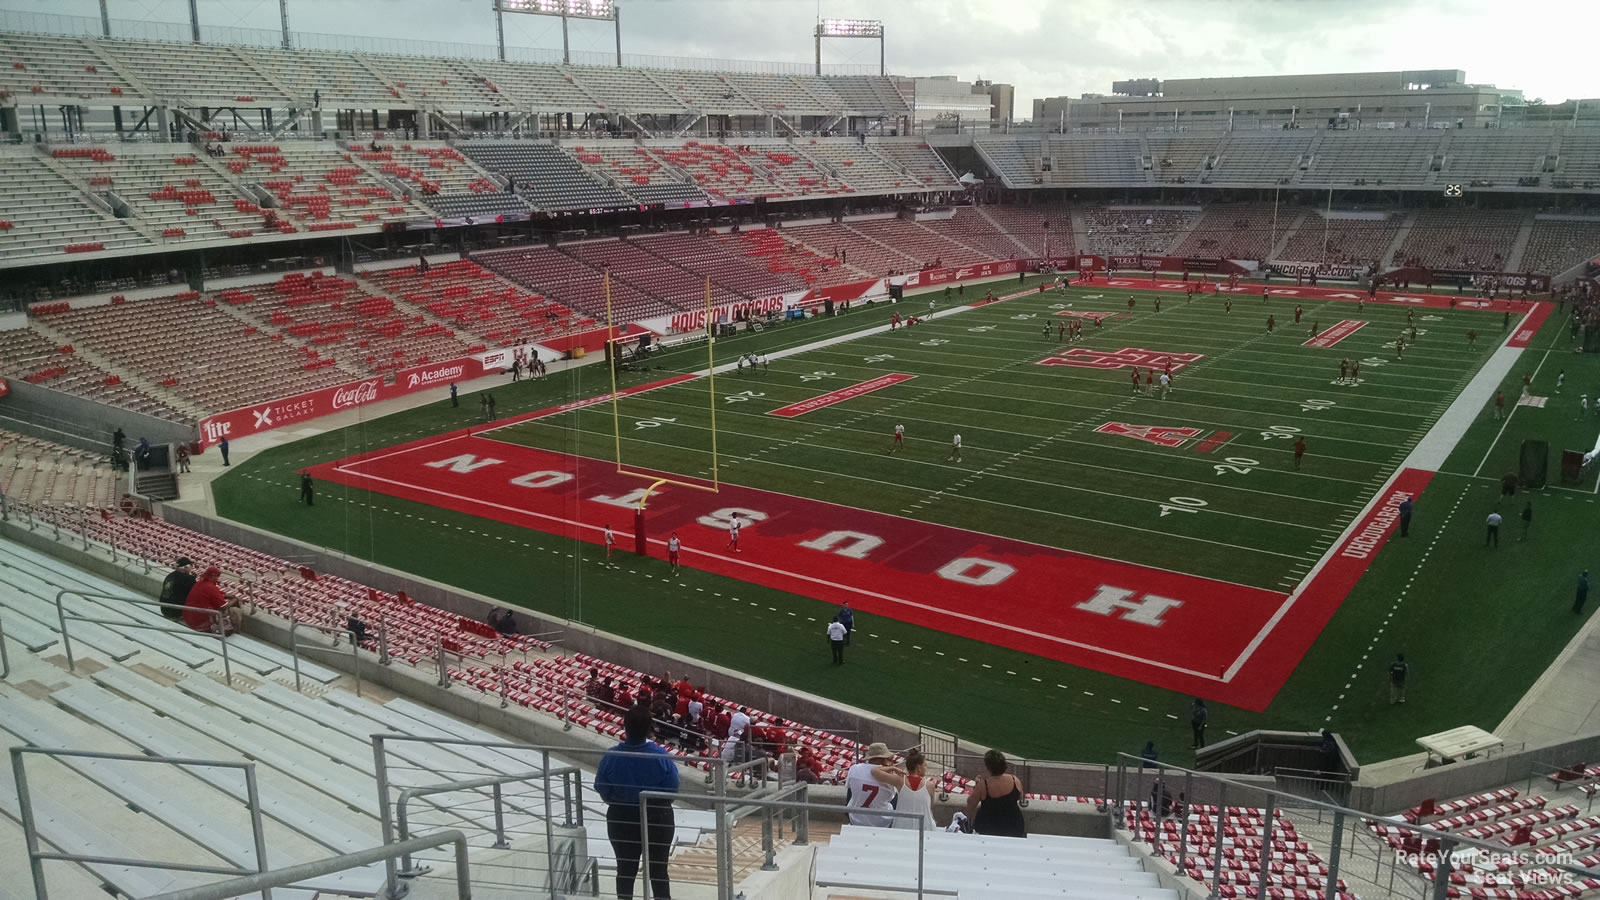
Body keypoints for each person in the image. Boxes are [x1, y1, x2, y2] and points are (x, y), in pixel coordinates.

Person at [594, 706, 679, 900]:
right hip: (658, 817)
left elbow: (602, 788)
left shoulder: (612, 757)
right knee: (658, 872)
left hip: (622, 818)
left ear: (624, 727)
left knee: (625, 870)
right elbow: (672, 790)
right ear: (650, 729)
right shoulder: (661, 757)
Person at [966, 749, 1026, 837]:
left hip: (989, 829)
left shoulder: (983, 785)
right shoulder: (1015, 780)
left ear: (988, 767)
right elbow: (1020, 797)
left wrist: (978, 787)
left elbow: (970, 803)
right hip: (1014, 827)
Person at [844, 743, 903, 826]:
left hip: (855, 818)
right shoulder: (889, 776)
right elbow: (891, 798)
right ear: (883, 759)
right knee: (896, 794)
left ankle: (847, 811)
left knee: (852, 785)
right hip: (883, 821)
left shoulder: (854, 769)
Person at [182, 566, 242, 635]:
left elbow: (212, 594)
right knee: (236, 611)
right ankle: (236, 632)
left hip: (189, 616)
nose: (217, 579)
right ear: (212, 577)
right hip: (200, 620)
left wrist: (225, 595)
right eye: (217, 576)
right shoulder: (211, 587)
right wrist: (235, 599)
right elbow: (223, 606)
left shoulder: (199, 583)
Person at [892, 748, 938, 831]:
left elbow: (875, 771)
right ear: (919, 768)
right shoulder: (930, 785)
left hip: (901, 826)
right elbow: (930, 806)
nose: (926, 768)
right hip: (925, 827)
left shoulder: (899, 781)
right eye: (925, 765)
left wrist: (893, 768)